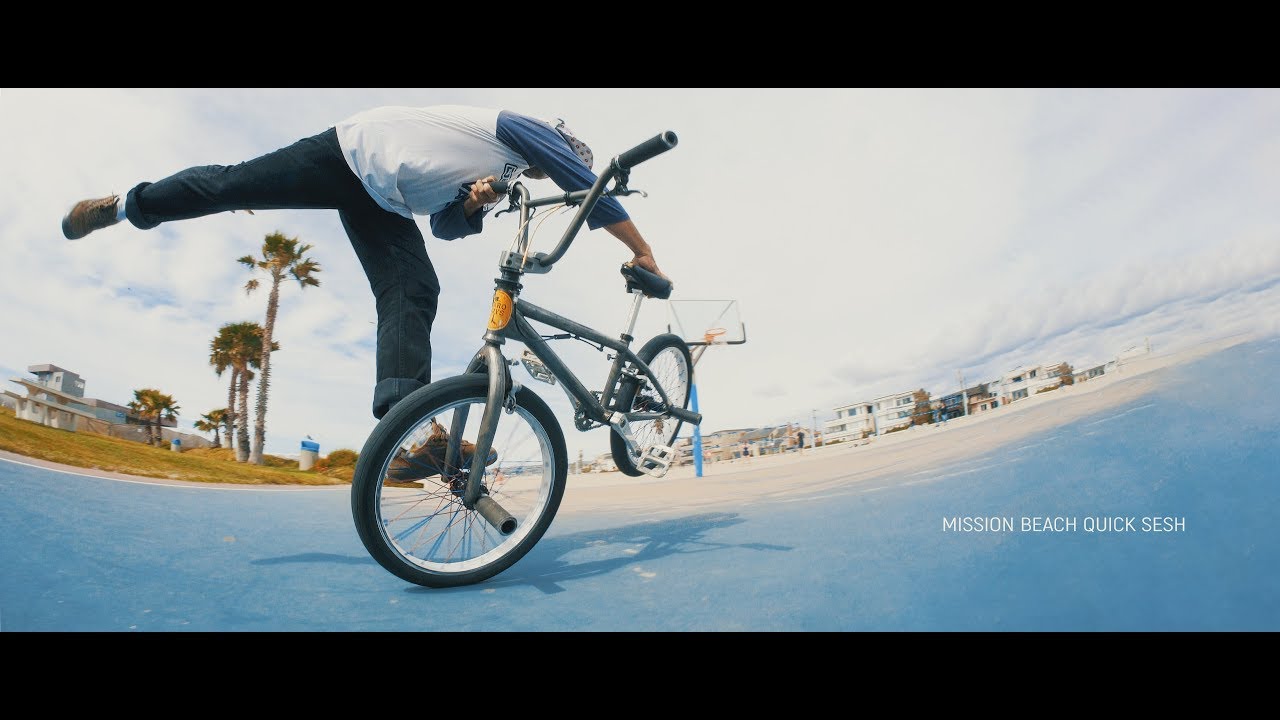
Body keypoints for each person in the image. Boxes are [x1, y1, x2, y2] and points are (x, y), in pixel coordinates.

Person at [60, 104, 671, 427]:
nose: (544, 175)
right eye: (552, 165)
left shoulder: (506, 171)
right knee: (227, 186)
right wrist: (640, 249)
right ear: (557, 144)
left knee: (415, 287)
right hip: (347, 154)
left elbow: (446, 227)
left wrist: (475, 204)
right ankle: (123, 207)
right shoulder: (521, 129)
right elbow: (586, 184)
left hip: (383, 203)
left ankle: (404, 423)